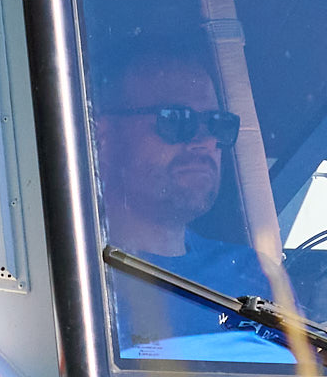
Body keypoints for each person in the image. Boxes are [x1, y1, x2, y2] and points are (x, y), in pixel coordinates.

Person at [90, 38, 279, 346]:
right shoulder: (78, 278)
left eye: (217, 124)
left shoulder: (256, 277)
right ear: (105, 137)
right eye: (176, 120)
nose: (205, 142)